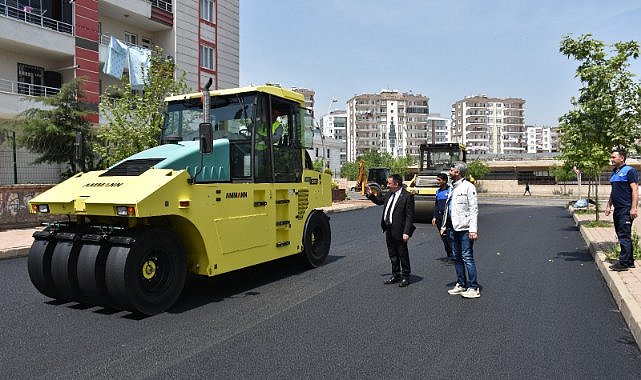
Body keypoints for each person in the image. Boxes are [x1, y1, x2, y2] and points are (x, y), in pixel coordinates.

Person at [366, 174, 416, 287]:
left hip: (400, 230)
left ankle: (406, 276)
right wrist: (370, 195)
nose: (387, 185)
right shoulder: (389, 194)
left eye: (389, 183)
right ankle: (396, 274)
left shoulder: (407, 196)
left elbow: (409, 216)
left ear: (396, 184)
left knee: (402, 254)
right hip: (388, 229)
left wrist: (406, 232)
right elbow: (380, 201)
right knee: (392, 254)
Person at [441, 161, 480, 298]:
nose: (449, 172)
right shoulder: (452, 187)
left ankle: (474, 287)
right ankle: (461, 284)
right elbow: (448, 208)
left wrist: (473, 230)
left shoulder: (469, 187)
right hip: (453, 228)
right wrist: (444, 225)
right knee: (457, 257)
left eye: (451, 170)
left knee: (467, 257)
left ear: (458, 173)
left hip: (465, 228)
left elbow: (473, 209)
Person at [605, 148, 638, 271]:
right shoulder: (614, 173)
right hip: (617, 209)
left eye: (614, 157)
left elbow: (635, 190)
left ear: (622, 158)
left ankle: (623, 263)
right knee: (622, 235)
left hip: (626, 208)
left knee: (624, 235)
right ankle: (629, 261)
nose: (611, 159)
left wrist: (634, 208)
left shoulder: (630, 171)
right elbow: (613, 192)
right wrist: (609, 206)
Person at [432, 173, 453, 263]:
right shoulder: (438, 191)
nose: (437, 182)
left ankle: (454, 256)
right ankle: (449, 255)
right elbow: (436, 205)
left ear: (445, 181)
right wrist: (434, 217)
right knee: (443, 238)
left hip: (448, 218)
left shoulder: (450, 191)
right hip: (439, 218)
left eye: (439, 180)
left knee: (450, 237)